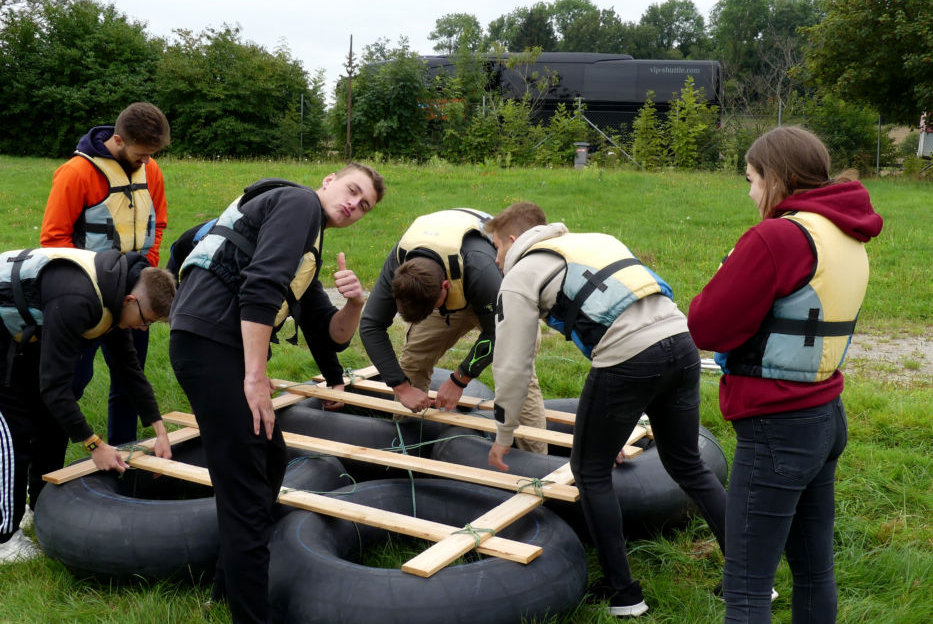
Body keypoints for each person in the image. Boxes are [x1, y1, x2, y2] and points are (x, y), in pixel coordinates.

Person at [485, 202, 727, 619]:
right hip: (681, 343)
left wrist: (504, 433)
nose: (494, 260)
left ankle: (624, 594)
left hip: (629, 357)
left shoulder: (521, 275)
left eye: (495, 248)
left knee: (590, 470)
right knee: (687, 463)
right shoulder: (596, 240)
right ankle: (750, 576)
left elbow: (512, 363)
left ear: (512, 239)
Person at [169, 164, 385, 624]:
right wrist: (254, 375)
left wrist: (354, 303)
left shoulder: (307, 238)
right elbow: (260, 286)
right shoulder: (299, 203)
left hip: (213, 345)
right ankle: (252, 615)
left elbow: (330, 336)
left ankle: (225, 589)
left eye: (363, 205)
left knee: (268, 463)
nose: (353, 205)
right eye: (352, 190)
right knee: (246, 490)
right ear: (328, 180)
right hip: (213, 347)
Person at [688, 126, 883, 623]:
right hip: (824, 415)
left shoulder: (779, 235)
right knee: (814, 570)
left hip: (777, 426)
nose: (751, 192)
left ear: (775, 178)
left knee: (748, 588)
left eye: (751, 179)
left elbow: (706, 326)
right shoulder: (845, 230)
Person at [0, 248, 175, 562]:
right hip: (3, 327)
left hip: (28, 330)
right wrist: (96, 445)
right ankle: (5, 538)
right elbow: (54, 389)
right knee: (15, 431)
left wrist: (159, 429)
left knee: (52, 423)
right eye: (146, 321)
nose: (142, 329)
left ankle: (38, 506)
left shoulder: (116, 298)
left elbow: (129, 370)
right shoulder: (78, 301)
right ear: (131, 302)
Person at [358, 208, 547, 453]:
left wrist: (460, 378)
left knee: (517, 374)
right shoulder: (398, 262)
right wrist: (401, 387)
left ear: (445, 286)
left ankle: (539, 461)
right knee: (413, 362)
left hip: (499, 298)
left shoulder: (481, 269)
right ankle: (408, 446)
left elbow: (502, 332)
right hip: (447, 288)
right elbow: (370, 325)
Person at [40, 102, 171, 446]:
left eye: (151, 155)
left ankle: (123, 457)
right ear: (118, 139)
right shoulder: (76, 173)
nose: (147, 162)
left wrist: (144, 275)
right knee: (73, 382)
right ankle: (48, 457)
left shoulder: (151, 170)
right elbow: (54, 241)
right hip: (86, 300)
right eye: (142, 154)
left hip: (134, 297)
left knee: (129, 379)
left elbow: (158, 225)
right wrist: (86, 289)